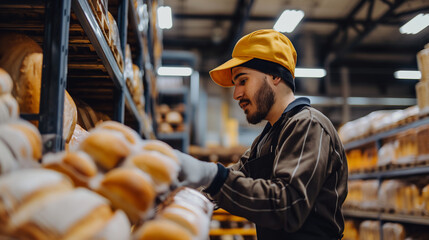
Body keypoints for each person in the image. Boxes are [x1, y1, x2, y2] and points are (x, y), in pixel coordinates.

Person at [175, 29, 348, 240]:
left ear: (275, 75)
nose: (236, 94)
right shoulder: (265, 140)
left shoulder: (308, 125)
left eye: (242, 80)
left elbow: (287, 207)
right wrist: (179, 193)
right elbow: (235, 179)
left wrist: (212, 175)